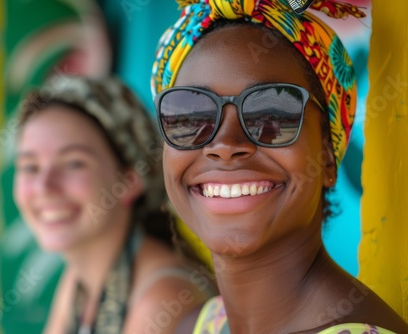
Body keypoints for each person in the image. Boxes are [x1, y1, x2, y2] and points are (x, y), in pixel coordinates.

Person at [150, 0, 408, 333]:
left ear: (327, 157)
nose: (225, 146)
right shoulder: (202, 323)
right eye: (192, 115)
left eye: (272, 114)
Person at [13, 75, 214, 334]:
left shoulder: (161, 300)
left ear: (130, 180)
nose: (44, 186)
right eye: (30, 166)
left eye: (74, 163)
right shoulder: (79, 280)